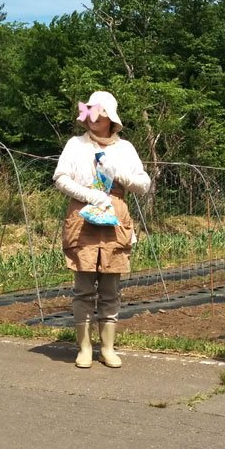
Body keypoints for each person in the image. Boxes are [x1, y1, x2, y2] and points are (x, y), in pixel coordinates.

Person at [52, 91, 151, 368]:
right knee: (83, 288)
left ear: (109, 116)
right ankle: (84, 348)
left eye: (99, 112)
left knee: (110, 288)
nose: (94, 118)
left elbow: (143, 185)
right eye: (91, 112)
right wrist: (91, 195)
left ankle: (107, 348)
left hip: (114, 218)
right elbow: (60, 178)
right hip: (82, 216)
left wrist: (117, 173)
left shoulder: (125, 148)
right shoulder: (75, 145)